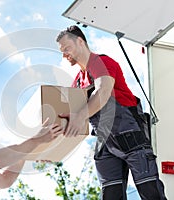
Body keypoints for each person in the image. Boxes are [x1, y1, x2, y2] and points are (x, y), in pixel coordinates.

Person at [56, 25, 167, 200]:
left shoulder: (101, 62)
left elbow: (103, 91)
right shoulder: (77, 82)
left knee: (151, 192)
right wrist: (50, 151)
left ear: (80, 42)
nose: (64, 54)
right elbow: (74, 121)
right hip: (105, 142)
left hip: (130, 135)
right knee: (110, 195)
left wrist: (79, 116)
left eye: (67, 48)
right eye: (62, 52)